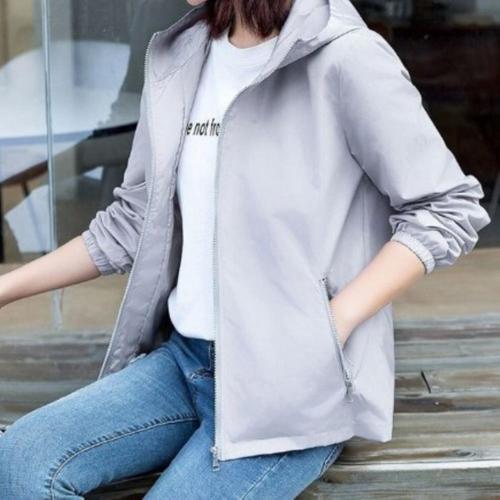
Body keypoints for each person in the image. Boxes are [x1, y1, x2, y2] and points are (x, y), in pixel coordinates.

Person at [0, 0, 492, 498]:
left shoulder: (346, 56)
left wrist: (333, 323)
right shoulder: (181, 55)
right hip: (185, 361)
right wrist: (7, 287)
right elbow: (133, 222)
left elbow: (446, 206)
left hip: (288, 385)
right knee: (22, 460)